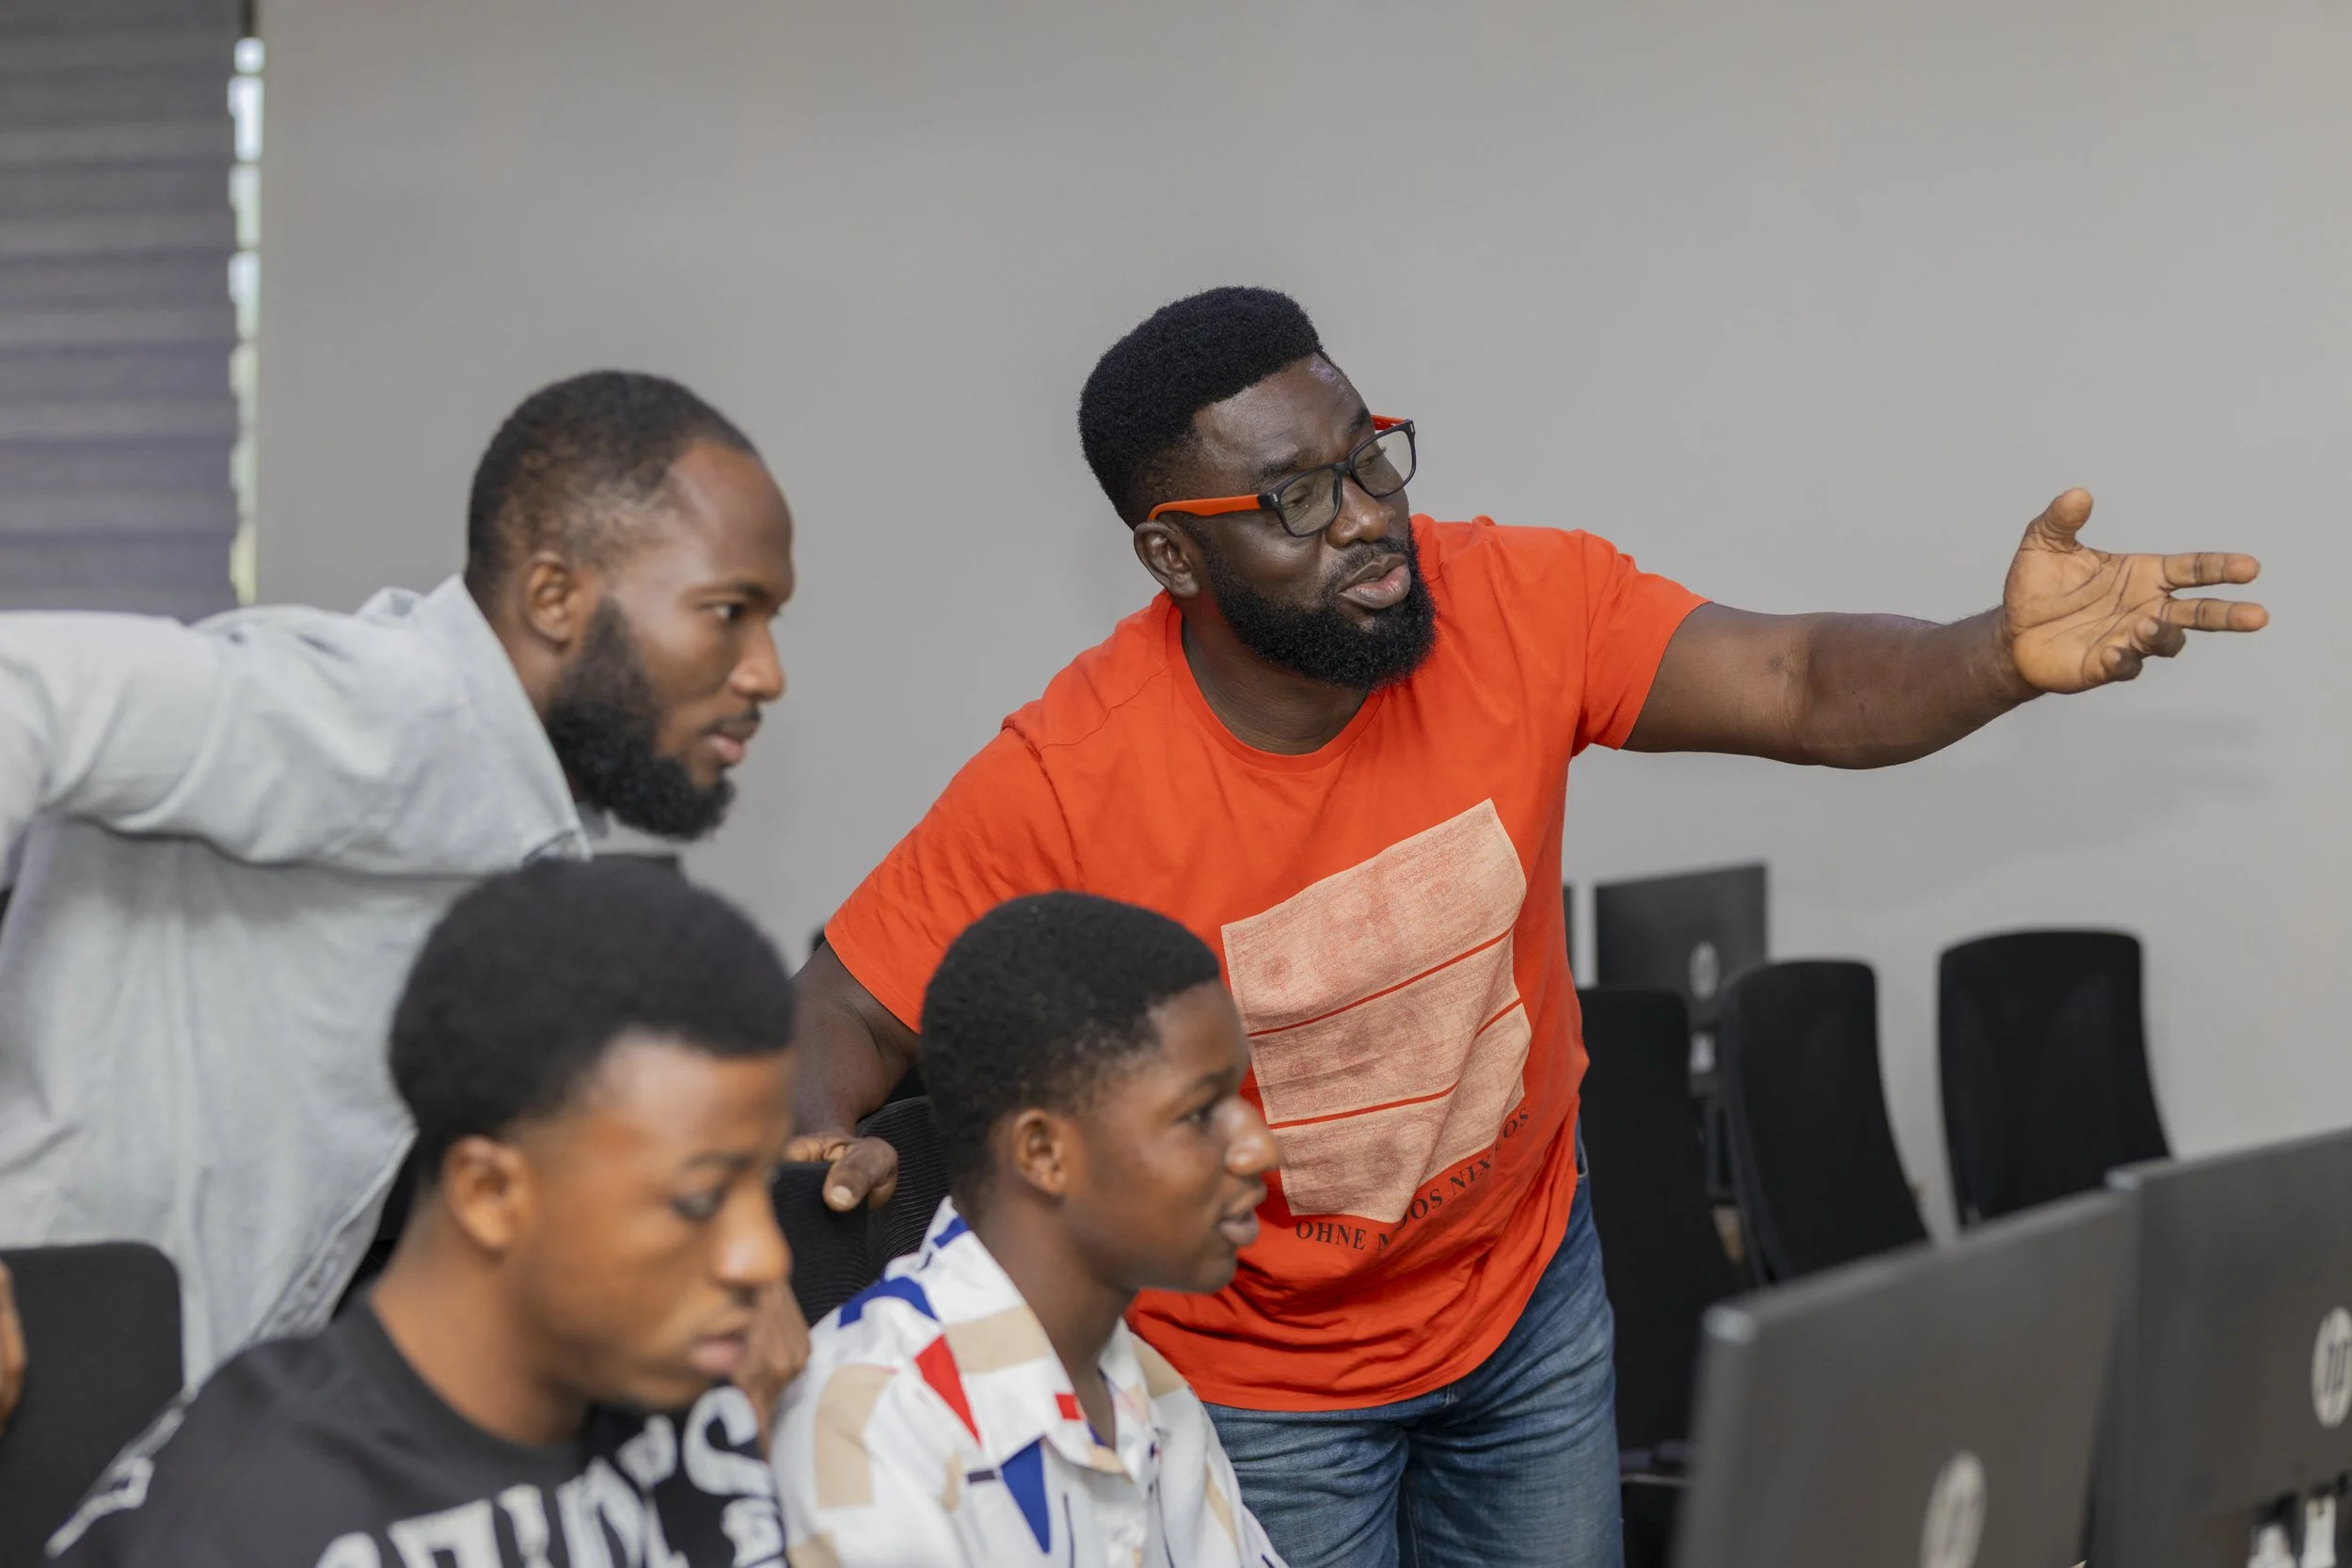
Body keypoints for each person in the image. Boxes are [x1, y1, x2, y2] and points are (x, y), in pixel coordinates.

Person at [786, 286, 2268, 1567]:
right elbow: (848, 1000)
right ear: (1175, 558)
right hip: (1262, 1378)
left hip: (1525, 1302)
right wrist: (813, 1139)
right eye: (1296, 499)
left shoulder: (1516, 600)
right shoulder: (1073, 771)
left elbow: (1798, 680)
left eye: (1370, 456)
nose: (1367, 515)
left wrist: (1996, 654)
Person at [0, 369, 884, 1388]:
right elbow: (22, 695)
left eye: (771, 619)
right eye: (728, 610)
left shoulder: (516, 817)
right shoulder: (389, 708)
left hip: (159, 1394)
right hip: (51, 1361)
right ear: (554, 597)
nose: (766, 670)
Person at [46, 859, 799, 1568]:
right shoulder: (249, 1523)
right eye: (699, 1200)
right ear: (490, 1194)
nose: (764, 1256)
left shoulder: (691, 1408)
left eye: (761, 1184)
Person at [774, 892, 1285, 1568]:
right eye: (1198, 1113)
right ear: (1043, 1152)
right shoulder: (873, 1423)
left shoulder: (1154, 1393)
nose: (1259, 1148)